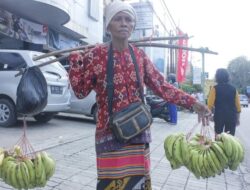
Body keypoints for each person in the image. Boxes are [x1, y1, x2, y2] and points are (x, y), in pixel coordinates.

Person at [68, 1, 210, 189]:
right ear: (108, 25)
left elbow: (162, 86)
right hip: (109, 135)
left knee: (138, 184)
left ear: (133, 25)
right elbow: (80, 91)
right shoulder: (96, 55)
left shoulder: (139, 56)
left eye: (128, 19)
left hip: (138, 132)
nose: (124, 23)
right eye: (118, 19)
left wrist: (193, 102)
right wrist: (76, 59)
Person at [207, 68, 241, 137]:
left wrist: (209, 116)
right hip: (231, 117)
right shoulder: (234, 89)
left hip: (219, 116)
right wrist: (237, 119)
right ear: (227, 77)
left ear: (217, 77)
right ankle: (228, 148)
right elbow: (238, 107)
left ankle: (219, 147)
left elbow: (209, 105)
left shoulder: (214, 88)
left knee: (218, 137)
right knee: (230, 138)